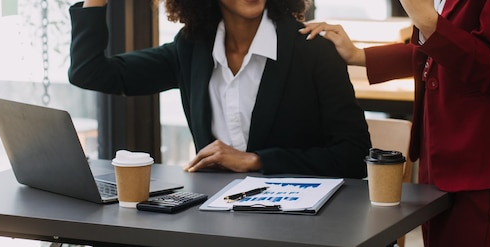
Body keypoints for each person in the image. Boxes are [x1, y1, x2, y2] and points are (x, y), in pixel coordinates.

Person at [301, 0, 490, 246]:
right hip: (440, 157)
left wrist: (424, 16)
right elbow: (435, 51)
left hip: (485, 159)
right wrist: (359, 55)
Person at [68, 0, 371, 179]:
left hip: (302, 227)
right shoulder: (190, 49)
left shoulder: (312, 49)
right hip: (218, 222)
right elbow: (90, 72)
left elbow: (354, 156)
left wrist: (257, 160)